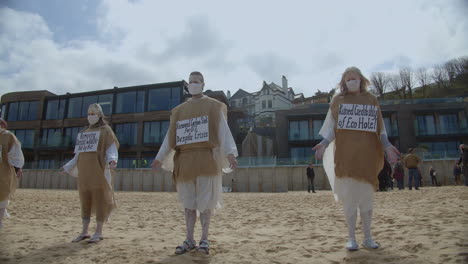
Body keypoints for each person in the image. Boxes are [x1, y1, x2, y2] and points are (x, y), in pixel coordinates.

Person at [313, 67, 400, 251]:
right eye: (348, 78)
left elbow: (380, 127)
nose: (352, 81)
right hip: (346, 158)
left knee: (367, 199)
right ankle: (351, 238)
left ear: (361, 79)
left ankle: (368, 237)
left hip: (367, 158)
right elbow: (333, 129)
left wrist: (388, 146)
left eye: (355, 78)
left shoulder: (371, 100)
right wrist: (323, 144)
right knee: (351, 199)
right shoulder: (338, 101)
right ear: (343, 82)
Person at [151, 71, 238, 255]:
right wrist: (159, 158)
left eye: (196, 81)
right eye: (190, 82)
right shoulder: (179, 111)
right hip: (184, 162)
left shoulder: (213, 107)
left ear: (203, 84)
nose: (193, 84)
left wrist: (230, 153)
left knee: (206, 203)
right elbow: (170, 137)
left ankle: (204, 239)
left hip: (207, 160)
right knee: (188, 203)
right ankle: (189, 239)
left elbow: (223, 131)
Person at [61, 104, 119, 243]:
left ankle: (98, 231)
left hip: (99, 170)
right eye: (89, 113)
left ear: (99, 115)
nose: (90, 116)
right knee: (85, 199)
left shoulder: (106, 130)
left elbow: (111, 148)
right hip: (84, 173)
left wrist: (112, 160)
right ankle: (84, 231)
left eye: (93, 113)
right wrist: (67, 167)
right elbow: (78, 155)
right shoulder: (83, 132)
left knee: (100, 199)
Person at [0, 118, 24, 229]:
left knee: (3, 195)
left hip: (3, 171)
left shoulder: (7, 136)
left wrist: (18, 168)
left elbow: (16, 153)